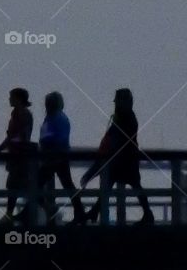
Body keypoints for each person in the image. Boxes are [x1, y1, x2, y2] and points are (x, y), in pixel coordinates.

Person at [81, 88, 155, 225]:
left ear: (125, 102)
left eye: (118, 102)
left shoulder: (126, 119)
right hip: (125, 160)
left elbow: (116, 137)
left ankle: (95, 212)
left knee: (127, 185)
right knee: (126, 185)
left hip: (124, 160)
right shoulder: (126, 118)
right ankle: (95, 211)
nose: (116, 105)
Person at [39, 91, 87, 225]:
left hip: (55, 157)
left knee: (35, 184)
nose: (46, 106)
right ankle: (79, 212)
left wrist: (47, 147)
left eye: (48, 103)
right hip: (55, 157)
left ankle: (50, 209)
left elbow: (55, 138)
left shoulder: (57, 118)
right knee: (67, 184)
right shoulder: (55, 117)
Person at [0, 87, 35, 223]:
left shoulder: (24, 115)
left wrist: (3, 147)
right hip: (15, 156)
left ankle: (9, 214)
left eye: (11, 97)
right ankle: (44, 209)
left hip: (21, 156)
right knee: (19, 185)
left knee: (16, 185)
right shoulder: (16, 114)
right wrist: (1, 148)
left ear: (18, 99)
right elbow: (11, 136)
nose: (9, 99)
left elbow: (21, 135)